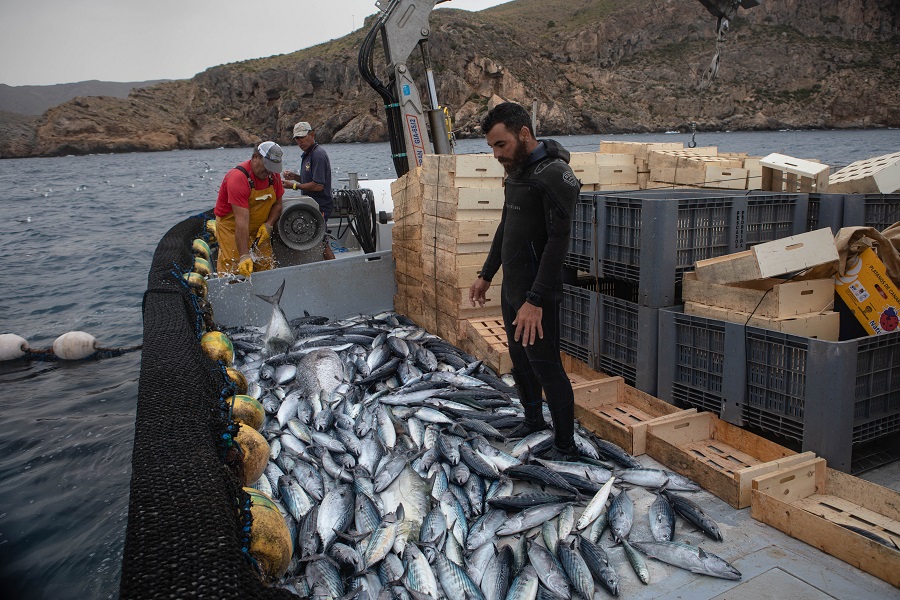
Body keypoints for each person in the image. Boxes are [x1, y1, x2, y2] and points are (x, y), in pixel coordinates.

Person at [469, 102, 581, 461]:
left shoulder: (554, 174)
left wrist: (535, 300)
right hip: (514, 288)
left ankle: (566, 446)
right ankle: (533, 421)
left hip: (537, 294)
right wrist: (486, 274)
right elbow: (508, 227)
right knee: (520, 360)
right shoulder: (517, 170)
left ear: (524, 134)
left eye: (500, 144)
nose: (496, 153)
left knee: (547, 368)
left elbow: (557, 243)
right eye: (491, 147)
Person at [214, 141, 285, 277]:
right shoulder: (238, 178)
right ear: (255, 157)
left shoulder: (273, 176)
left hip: (258, 229)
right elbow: (241, 220)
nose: (269, 171)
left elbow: (278, 205)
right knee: (234, 269)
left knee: (266, 265)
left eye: (273, 167)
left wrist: (268, 225)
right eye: (267, 166)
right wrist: (244, 255)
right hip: (232, 228)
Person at [283, 121, 335, 260]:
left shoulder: (318, 155)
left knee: (321, 240)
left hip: (320, 205)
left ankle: (333, 269)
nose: (300, 141)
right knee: (316, 238)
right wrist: (295, 177)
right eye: (297, 139)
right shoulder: (308, 154)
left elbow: (318, 185)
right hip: (312, 205)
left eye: (303, 137)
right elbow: (310, 180)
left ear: (312, 135)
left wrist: (293, 186)